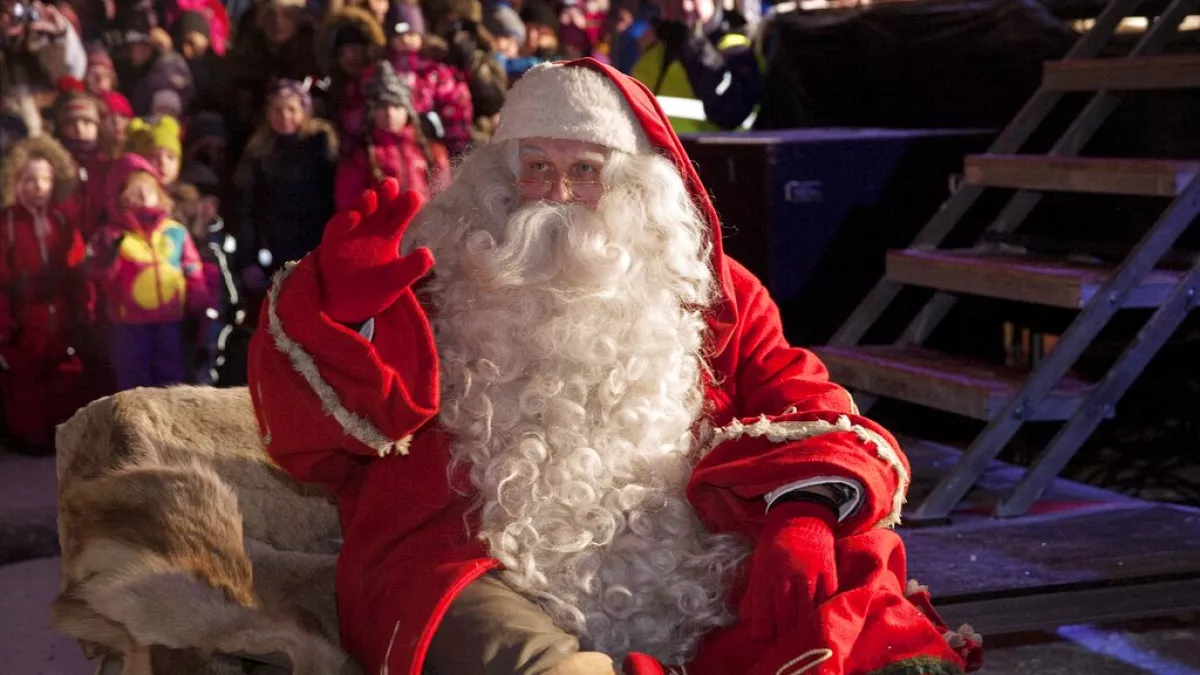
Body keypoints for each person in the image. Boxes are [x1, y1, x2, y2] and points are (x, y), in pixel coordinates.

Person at [248, 60, 981, 675]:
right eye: (536, 167)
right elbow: (316, 440)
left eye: (585, 169)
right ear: (500, 178)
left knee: (850, 588)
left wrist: (802, 510)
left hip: (686, 564)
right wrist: (337, 319)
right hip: (477, 559)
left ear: (635, 184)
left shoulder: (712, 295)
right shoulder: (440, 279)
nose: (558, 192)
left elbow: (804, 396)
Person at [0, 135, 91, 454]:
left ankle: (59, 430)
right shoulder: (8, 222)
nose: (37, 186)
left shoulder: (62, 220)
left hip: (59, 308)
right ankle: (28, 434)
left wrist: (84, 306)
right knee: (25, 375)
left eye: (44, 179)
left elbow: (78, 267)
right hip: (24, 312)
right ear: (15, 182)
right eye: (28, 179)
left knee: (64, 372)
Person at [89, 152, 207, 391]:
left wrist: (198, 297)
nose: (144, 196)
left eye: (149, 189)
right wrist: (108, 256)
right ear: (121, 196)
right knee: (133, 381)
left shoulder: (174, 231)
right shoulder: (111, 235)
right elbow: (100, 275)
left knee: (171, 378)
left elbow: (192, 265)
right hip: (129, 325)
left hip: (169, 320)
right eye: (134, 190)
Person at [233, 79, 337, 302]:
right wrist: (249, 258)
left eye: (292, 109)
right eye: (278, 110)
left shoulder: (321, 145)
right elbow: (247, 208)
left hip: (316, 242)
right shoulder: (258, 151)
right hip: (275, 245)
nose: (285, 116)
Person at [630, 0, 761, 132]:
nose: (686, 6)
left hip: (716, 150)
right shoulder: (652, 47)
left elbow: (731, 113)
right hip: (659, 150)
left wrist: (695, 49)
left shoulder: (739, 47)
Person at [336, 60, 446, 211]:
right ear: (372, 112)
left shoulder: (432, 152)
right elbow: (348, 205)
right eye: (382, 107)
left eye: (396, 106)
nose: (389, 113)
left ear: (408, 111)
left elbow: (446, 198)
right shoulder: (360, 157)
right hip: (384, 232)